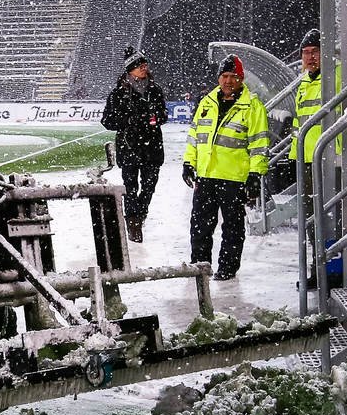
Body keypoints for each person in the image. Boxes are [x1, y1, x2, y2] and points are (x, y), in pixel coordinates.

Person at [182, 54, 269, 279]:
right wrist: (188, 163)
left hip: (234, 177)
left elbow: (259, 144)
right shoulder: (207, 102)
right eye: (224, 76)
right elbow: (195, 136)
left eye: (233, 76)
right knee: (200, 226)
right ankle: (199, 268)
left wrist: (255, 172)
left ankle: (227, 269)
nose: (228, 81)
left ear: (241, 78)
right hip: (206, 175)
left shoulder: (252, 105)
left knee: (232, 228)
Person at [101, 48, 168, 243]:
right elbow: (107, 121)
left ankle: (140, 213)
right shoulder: (118, 93)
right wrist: (129, 120)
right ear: (130, 69)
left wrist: (155, 118)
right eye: (140, 65)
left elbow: (164, 114)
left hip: (152, 147)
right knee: (130, 187)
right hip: (129, 147)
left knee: (149, 186)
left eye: (145, 64)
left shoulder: (155, 89)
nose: (144, 68)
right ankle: (133, 222)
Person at [292, 28, 340, 251]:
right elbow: (298, 124)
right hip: (309, 160)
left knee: (334, 214)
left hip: (333, 158)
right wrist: (296, 156)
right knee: (312, 216)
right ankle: (318, 264)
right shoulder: (303, 83)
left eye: (315, 52)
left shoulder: (338, 76)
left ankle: (333, 264)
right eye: (305, 52)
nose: (310, 57)